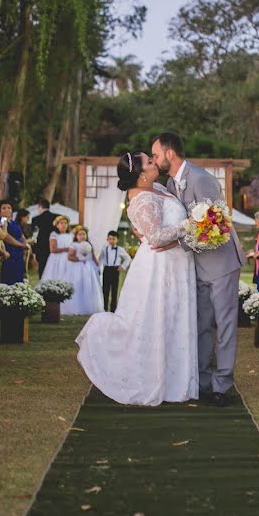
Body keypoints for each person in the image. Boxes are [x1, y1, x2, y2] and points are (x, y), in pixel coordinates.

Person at [76, 151, 197, 405]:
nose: (155, 161)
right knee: (158, 318)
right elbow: (155, 238)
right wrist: (190, 225)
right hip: (160, 267)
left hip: (174, 262)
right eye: (149, 161)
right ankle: (156, 378)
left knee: (172, 317)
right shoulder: (141, 198)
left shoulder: (156, 188)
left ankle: (176, 379)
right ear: (141, 174)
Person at [153, 132, 244, 406]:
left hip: (222, 262)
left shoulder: (201, 178)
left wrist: (174, 243)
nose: (155, 159)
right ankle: (203, 381)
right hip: (197, 266)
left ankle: (222, 383)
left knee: (225, 324)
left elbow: (215, 223)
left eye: (156, 154)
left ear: (170, 153)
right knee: (201, 324)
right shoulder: (170, 183)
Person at [63, 226, 104, 315]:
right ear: (76, 236)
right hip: (77, 268)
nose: (82, 236)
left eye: (84, 234)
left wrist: (97, 266)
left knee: (88, 285)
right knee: (78, 285)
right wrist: (80, 258)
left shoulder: (89, 244)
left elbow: (93, 256)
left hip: (89, 268)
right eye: (80, 234)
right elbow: (69, 257)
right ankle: (77, 307)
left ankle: (89, 306)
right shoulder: (74, 245)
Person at [99, 230, 131, 311]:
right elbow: (100, 259)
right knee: (105, 290)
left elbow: (128, 258)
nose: (111, 241)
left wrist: (123, 266)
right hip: (106, 270)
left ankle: (113, 309)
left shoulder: (120, 249)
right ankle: (104, 308)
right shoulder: (104, 248)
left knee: (114, 290)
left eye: (113, 239)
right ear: (107, 239)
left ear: (117, 240)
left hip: (115, 270)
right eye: (109, 239)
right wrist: (98, 268)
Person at [0, 204, 30, 284]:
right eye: (4, 208)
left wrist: (25, 243)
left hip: (18, 254)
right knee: (8, 278)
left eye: (9, 208)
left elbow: (21, 234)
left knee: (19, 277)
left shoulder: (14, 223)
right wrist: (20, 245)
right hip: (8, 251)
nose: (7, 210)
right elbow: (5, 236)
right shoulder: (1, 221)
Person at [40, 215, 75, 286]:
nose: (64, 225)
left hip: (69, 259)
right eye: (61, 223)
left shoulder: (71, 235)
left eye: (65, 223)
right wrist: (67, 249)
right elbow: (53, 249)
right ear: (57, 225)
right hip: (57, 259)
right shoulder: (54, 234)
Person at [31, 198, 59, 278]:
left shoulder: (35, 219)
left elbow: (34, 236)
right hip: (55, 247)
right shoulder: (57, 217)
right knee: (55, 272)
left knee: (43, 271)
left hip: (41, 248)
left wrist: (34, 251)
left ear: (40, 207)